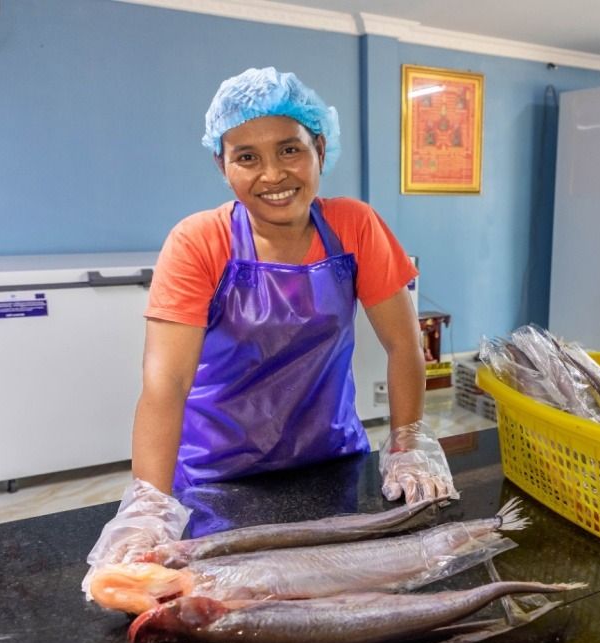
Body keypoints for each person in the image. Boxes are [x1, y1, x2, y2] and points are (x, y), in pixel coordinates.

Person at [82, 67, 458, 589]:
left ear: (319, 149)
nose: (273, 175)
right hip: (216, 475)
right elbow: (167, 381)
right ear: (222, 165)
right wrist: (148, 503)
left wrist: (407, 442)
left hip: (329, 462)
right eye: (247, 158)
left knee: (339, 602)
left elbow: (403, 343)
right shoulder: (199, 241)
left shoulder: (354, 226)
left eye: (289, 150)